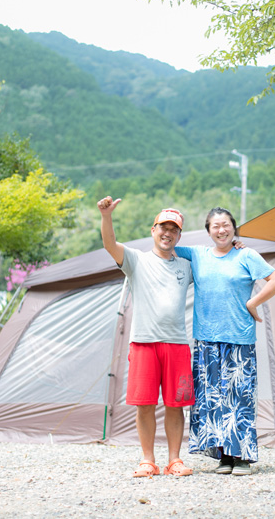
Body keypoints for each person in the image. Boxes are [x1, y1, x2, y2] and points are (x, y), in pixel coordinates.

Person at [174, 207, 275, 476]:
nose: (221, 230)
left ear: (234, 228)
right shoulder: (198, 254)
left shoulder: (246, 254)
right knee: (212, 400)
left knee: (239, 398)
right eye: (215, 226)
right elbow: (168, 245)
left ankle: (242, 458)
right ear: (208, 230)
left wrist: (252, 302)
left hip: (239, 338)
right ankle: (224, 457)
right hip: (207, 341)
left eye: (226, 225)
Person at [97, 196, 195, 478]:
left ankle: (174, 460)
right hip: (143, 343)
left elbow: (215, 261)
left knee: (176, 406)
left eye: (173, 229)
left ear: (179, 235)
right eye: (162, 228)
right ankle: (147, 460)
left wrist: (235, 245)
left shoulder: (186, 265)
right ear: (153, 230)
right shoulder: (136, 260)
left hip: (177, 344)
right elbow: (109, 245)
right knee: (145, 404)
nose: (167, 233)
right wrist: (106, 216)